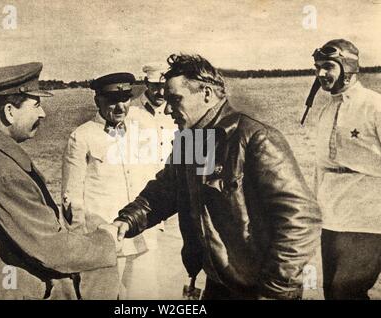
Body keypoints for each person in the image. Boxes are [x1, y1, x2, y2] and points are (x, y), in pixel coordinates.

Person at [113, 54, 322, 300]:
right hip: (219, 283)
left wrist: (275, 290)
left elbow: (301, 219)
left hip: (260, 289)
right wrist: (127, 220)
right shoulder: (192, 139)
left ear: (207, 94)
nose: (168, 110)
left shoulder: (255, 138)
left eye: (176, 99)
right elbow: (165, 191)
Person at [0, 62, 121, 300]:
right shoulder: (1, 172)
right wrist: (106, 240)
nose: (43, 113)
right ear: (9, 112)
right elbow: (52, 249)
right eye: (36, 104)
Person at [61, 72, 161, 299]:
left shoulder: (142, 128)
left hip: (143, 237)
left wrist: (157, 224)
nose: (120, 107)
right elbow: (71, 197)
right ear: (98, 101)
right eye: (112, 100)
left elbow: (154, 176)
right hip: (103, 242)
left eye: (125, 99)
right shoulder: (81, 137)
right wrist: (82, 246)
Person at [307, 39, 381, 299]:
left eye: (328, 67)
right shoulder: (326, 111)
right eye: (317, 68)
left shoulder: (375, 106)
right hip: (332, 216)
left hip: (369, 218)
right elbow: (320, 167)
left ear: (348, 67)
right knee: (332, 293)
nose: (321, 74)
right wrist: (314, 210)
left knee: (345, 292)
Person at [132, 62, 177, 167]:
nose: (161, 92)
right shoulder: (130, 111)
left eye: (165, 86)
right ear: (146, 83)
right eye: (156, 86)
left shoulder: (178, 112)